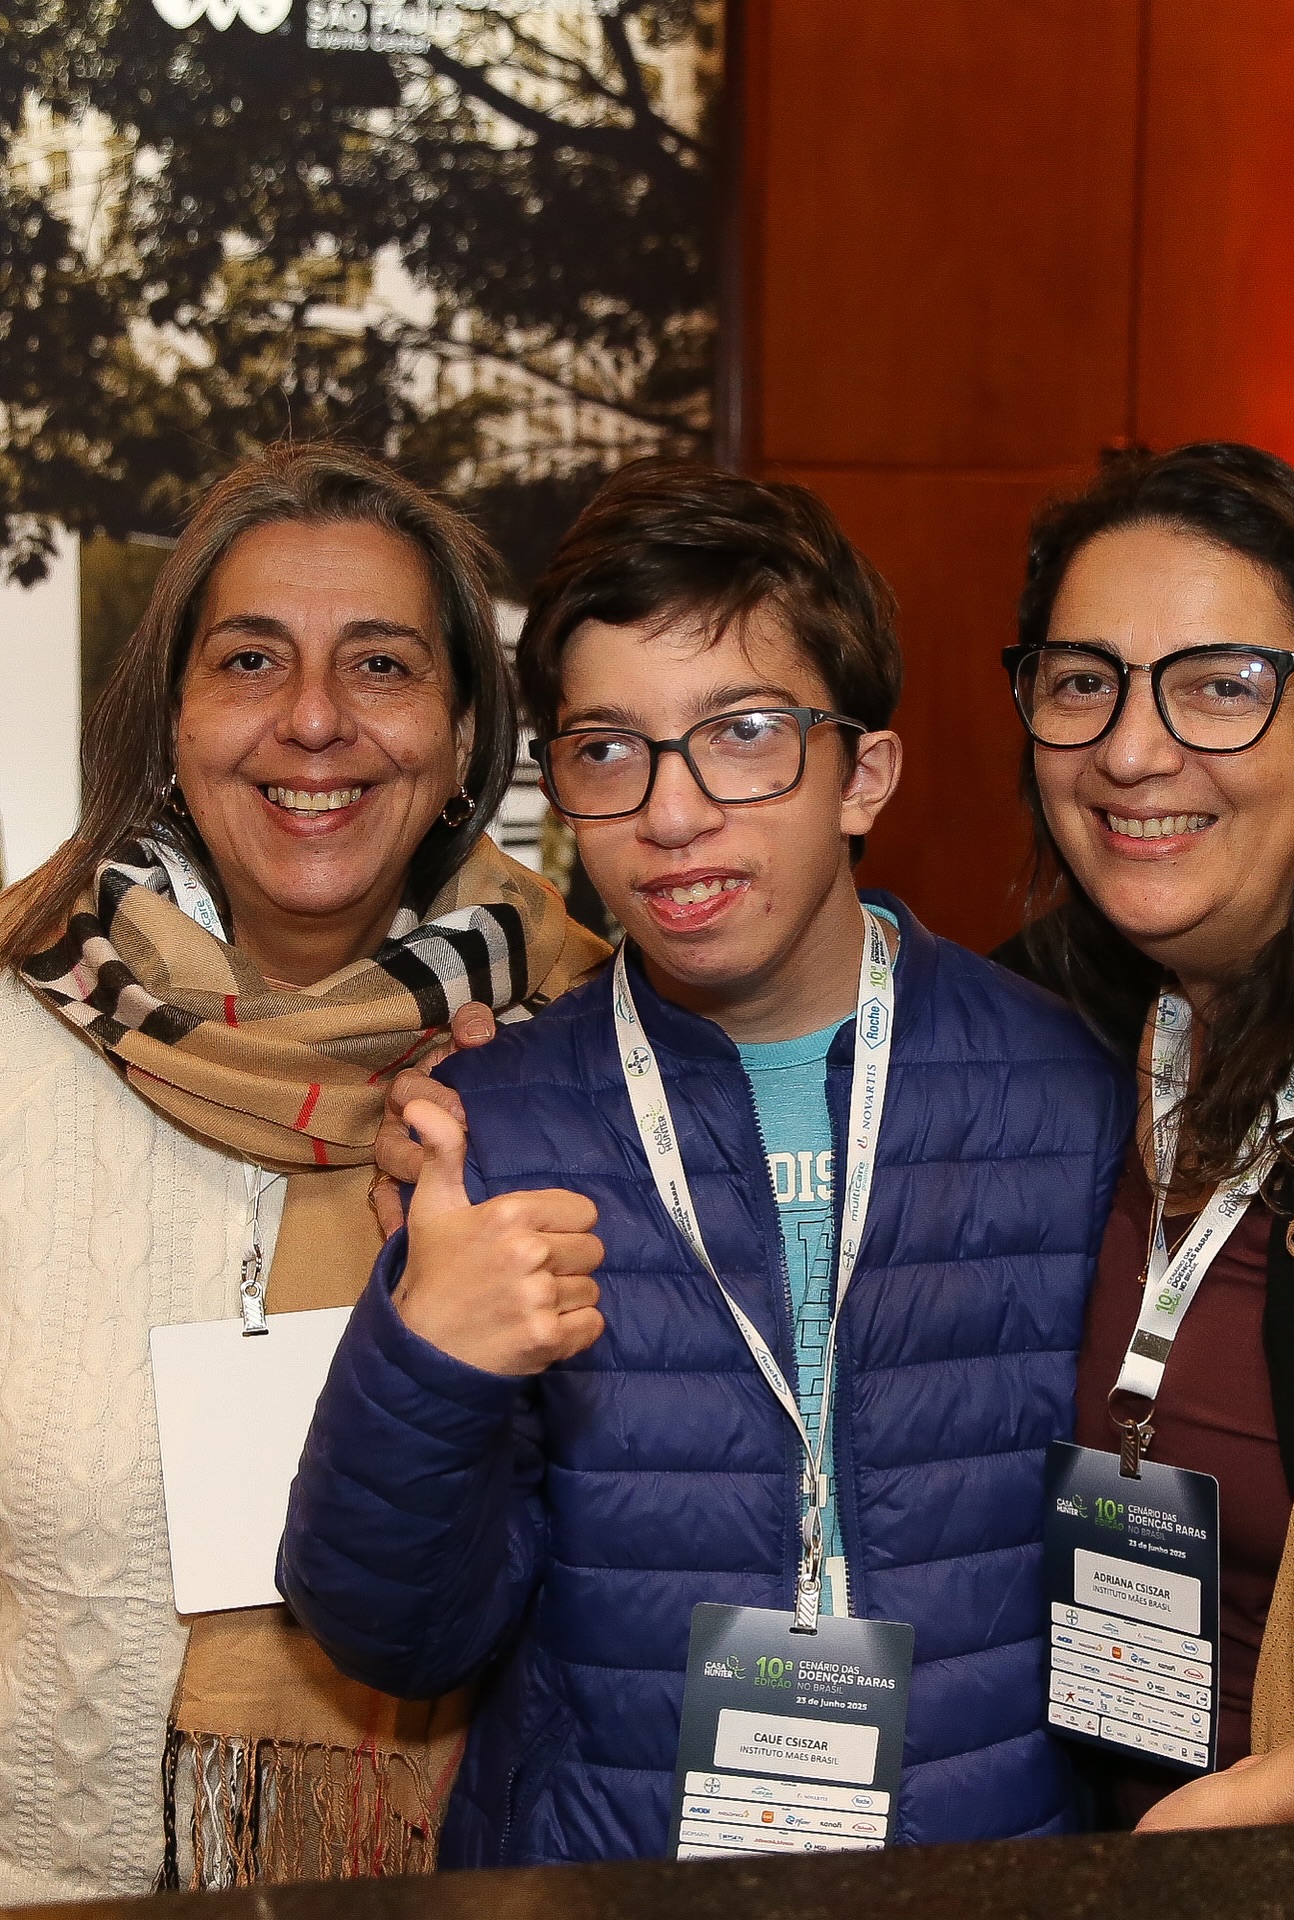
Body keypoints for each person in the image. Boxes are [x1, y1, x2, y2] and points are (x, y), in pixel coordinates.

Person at [278, 459, 1134, 1866]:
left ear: (864, 774)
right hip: (607, 1865)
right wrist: (427, 1359)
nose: (670, 815)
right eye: (607, 750)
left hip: (988, 1864)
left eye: (742, 734)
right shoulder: (494, 1125)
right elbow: (397, 1634)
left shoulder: (1063, 1087)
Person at [0, 442, 606, 1903]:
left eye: (382, 665)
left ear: (465, 736)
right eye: (251, 660)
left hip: (454, 1882)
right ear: (174, 718)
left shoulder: (585, 1055)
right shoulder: (19, 1026)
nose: (316, 719)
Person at [996, 441, 1294, 1830]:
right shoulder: (1069, 1014)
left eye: (1221, 686)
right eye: (1084, 682)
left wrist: (1284, 1802)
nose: (1131, 750)